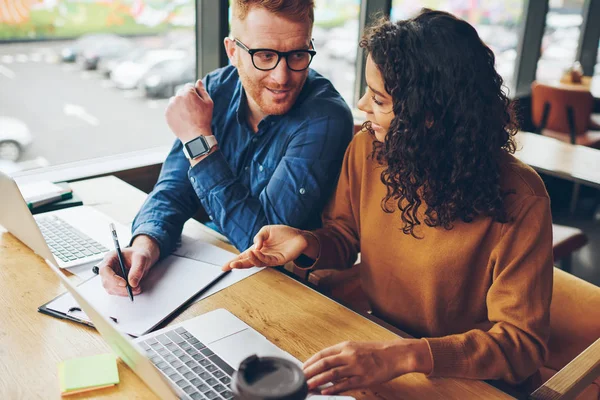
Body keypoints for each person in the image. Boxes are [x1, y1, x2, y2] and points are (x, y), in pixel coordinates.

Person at [223, 9, 553, 395]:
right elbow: (344, 236)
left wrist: (403, 356)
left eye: (378, 99)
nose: (362, 105)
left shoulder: (521, 199)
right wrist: (307, 242)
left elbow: (522, 345)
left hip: (471, 381)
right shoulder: (368, 149)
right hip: (380, 343)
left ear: (429, 115)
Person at [98, 0, 353, 296]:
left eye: (297, 54)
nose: (282, 77)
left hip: (280, 289)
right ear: (233, 52)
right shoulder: (215, 90)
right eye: (265, 55)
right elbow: (173, 189)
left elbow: (262, 247)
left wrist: (200, 141)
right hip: (206, 263)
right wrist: (144, 245)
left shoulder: (325, 118)